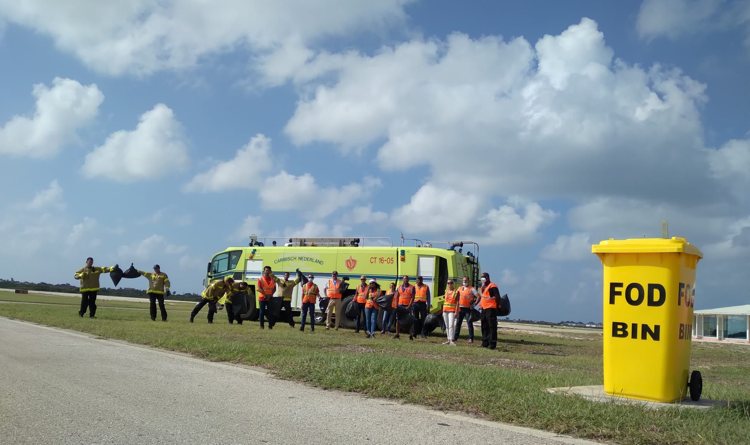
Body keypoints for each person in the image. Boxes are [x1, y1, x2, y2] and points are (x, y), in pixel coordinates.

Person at [453, 276, 480, 343]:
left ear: (468, 281)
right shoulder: (460, 288)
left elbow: (478, 297)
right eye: (463, 280)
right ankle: (455, 337)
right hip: (460, 308)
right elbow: (456, 297)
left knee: (469, 323)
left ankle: (471, 338)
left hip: (468, 309)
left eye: (466, 280)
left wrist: (474, 304)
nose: (464, 281)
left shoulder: (472, 289)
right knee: (458, 323)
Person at [479, 272, 501, 350]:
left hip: (491, 308)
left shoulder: (492, 286)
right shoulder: (483, 286)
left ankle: (492, 344)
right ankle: (485, 343)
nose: (482, 279)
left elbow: (497, 297)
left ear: (487, 278)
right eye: (481, 277)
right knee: (484, 326)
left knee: (492, 327)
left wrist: (498, 306)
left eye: (483, 277)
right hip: (484, 309)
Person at [394, 275, 415, 340]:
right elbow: (396, 296)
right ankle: (397, 334)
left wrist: (409, 306)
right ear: (403, 280)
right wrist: (396, 304)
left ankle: (411, 335)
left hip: (407, 306)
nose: (405, 280)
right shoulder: (399, 287)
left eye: (406, 279)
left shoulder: (412, 287)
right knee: (398, 320)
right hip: (400, 305)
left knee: (410, 320)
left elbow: (412, 297)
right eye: (404, 279)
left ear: (408, 280)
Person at [442, 280, 458, 345]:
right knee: (447, 326)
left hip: (452, 310)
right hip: (445, 310)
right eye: (448, 283)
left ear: (453, 284)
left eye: (451, 283)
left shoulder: (456, 292)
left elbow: (457, 302)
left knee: (451, 325)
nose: (449, 284)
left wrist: (456, 311)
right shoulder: (446, 291)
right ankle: (448, 339)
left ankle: (451, 340)